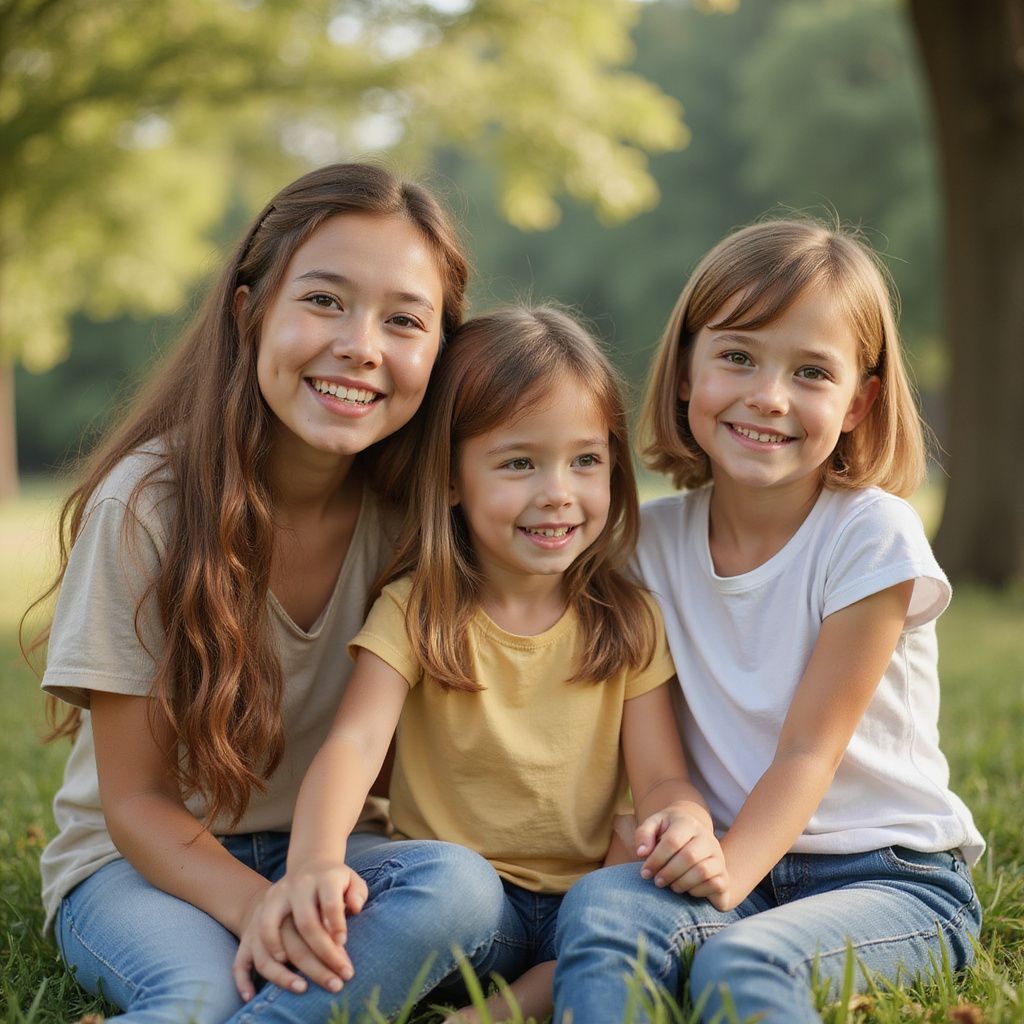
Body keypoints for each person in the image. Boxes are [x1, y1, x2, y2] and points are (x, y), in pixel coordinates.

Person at [30, 162, 481, 1023]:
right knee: (196, 994)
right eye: (323, 300)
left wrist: (303, 888)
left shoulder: (415, 520)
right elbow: (134, 802)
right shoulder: (150, 505)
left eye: (404, 321)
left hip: (333, 853)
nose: (361, 344)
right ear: (249, 312)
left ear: (438, 353)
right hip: (147, 863)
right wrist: (254, 907)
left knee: (459, 888)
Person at [233, 306, 728, 1024]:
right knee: (451, 889)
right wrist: (315, 860)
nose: (558, 491)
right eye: (519, 462)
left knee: (636, 917)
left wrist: (682, 822)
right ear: (454, 480)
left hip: (577, 913)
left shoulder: (627, 620)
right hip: (465, 915)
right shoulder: (419, 609)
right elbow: (354, 744)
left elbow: (660, 779)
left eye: (586, 460)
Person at [552, 219, 985, 1024]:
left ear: (859, 403)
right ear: (685, 371)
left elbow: (809, 750)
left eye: (811, 372)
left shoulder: (871, 534)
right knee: (605, 909)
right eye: (739, 356)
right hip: (722, 859)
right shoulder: (645, 544)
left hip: (884, 876)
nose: (768, 396)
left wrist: (724, 879)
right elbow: (648, 757)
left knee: (736, 959)